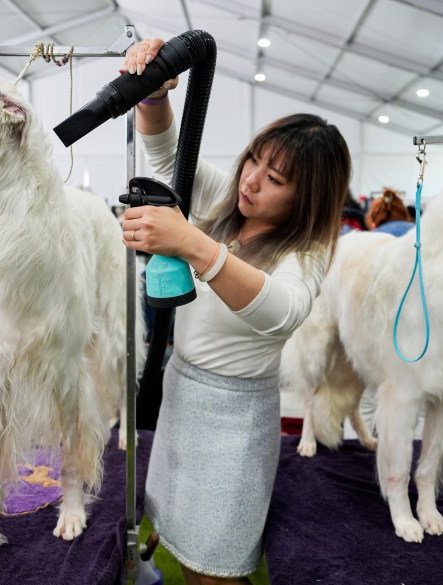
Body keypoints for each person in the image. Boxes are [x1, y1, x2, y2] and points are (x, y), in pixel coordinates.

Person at [120, 38, 351, 584]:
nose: (251, 180)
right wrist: (153, 93)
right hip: (182, 395)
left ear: (307, 198)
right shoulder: (229, 204)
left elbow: (283, 312)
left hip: (236, 421)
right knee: (182, 546)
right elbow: (169, 157)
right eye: (255, 161)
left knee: (216, 570)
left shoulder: (306, 252)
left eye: (276, 180)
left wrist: (192, 244)